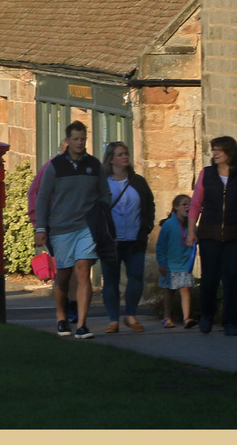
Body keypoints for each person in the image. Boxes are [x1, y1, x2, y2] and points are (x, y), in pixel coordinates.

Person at [34, 120, 110, 339]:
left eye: (83, 139)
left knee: (83, 269)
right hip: (61, 228)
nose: (79, 143)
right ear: (67, 140)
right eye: (75, 139)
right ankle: (61, 317)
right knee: (64, 275)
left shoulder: (95, 165)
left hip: (87, 226)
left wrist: (101, 213)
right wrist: (41, 227)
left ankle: (82, 324)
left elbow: (105, 193)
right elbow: (43, 197)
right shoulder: (55, 166)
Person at [185, 135, 237, 335]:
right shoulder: (207, 174)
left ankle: (230, 322)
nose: (215, 153)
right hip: (210, 233)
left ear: (230, 152)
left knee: (232, 278)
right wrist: (192, 230)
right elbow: (196, 203)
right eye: (214, 150)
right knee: (209, 277)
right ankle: (207, 316)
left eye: (219, 150)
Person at [99, 141, 155, 334]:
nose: (125, 157)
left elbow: (149, 204)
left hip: (134, 238)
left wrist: (147, 226)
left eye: (126, 154)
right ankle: (113, 319)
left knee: (136, 276)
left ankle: (130, 315)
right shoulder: (103, 182)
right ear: (111, 159)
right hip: (110, 241)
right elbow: (96, 208)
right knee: (111, 280)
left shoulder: (138, 181)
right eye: (120, 154)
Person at [28, 141, 78, 326]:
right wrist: (40, 227)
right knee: (66, 267)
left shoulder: (83, 167)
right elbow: (37, 196)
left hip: (77, 225)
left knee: (74, 266)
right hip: (55, 226)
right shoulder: (50, 168)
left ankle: (73, 305)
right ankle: (66, 306)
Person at [157, 193, 198, 328]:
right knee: (169, 291)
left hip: (185, 265)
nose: (188, 207)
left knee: (185, 289)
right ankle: (167, 317)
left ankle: (187, 318)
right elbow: (161, 246)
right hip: (169, 265)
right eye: (184, 204)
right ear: (176, 207)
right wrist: (161, 263)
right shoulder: (168, 225)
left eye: (190, 205)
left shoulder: (192, 226)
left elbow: (198, 238)